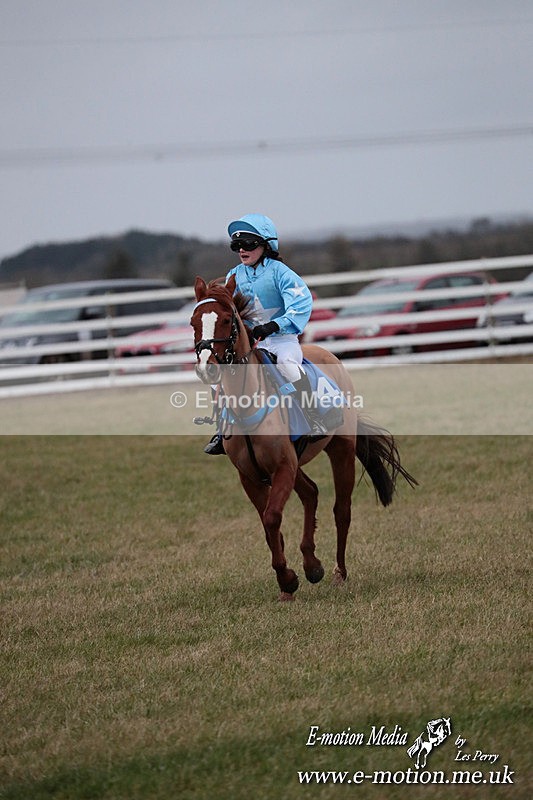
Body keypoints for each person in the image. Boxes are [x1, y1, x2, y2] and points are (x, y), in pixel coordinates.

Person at [205, 213, 328, 455]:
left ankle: (313, 417)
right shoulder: (234, 275)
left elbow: (301, 304)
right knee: (221, 375)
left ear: (266, 245)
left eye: (248, 244)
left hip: (282, 340)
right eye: (237, 245)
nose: (242, 250)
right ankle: (222, 430)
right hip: (250, 342)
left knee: (287, 364)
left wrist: (273, 326)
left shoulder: (281, 272)